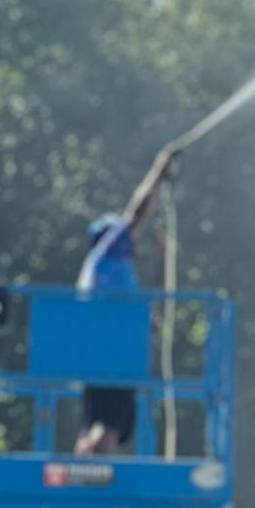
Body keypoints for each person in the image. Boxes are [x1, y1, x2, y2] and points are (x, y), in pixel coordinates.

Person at [74, 147, 180, 457]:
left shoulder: (105, 270)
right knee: (109, 425)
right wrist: (159, 170)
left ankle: (85, 466)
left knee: (105, 423)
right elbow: (136, 212)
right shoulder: (108, 254)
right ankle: (90, 472)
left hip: (104, 349)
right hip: (113, 351)